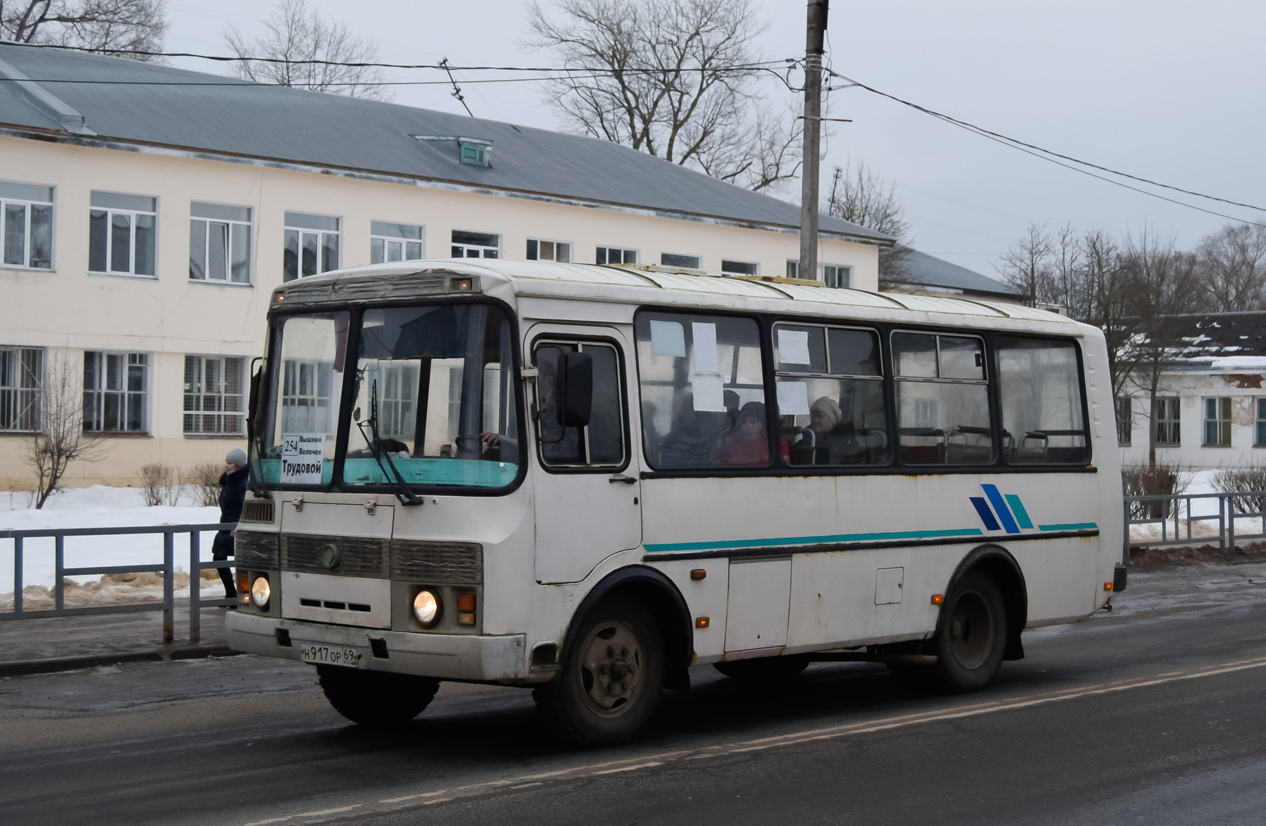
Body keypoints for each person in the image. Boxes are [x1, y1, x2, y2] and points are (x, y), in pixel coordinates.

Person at [213, 448, 249, 600]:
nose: (226, 466)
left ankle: (243, 595)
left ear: (238, 465)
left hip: (234, 526)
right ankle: (231, 593)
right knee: (219, 558)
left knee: (240, 561)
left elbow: (245, 506)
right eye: (226, 463)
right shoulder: (228, 482)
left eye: (230, 463)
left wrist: (238, 525)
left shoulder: (241, 484)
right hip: (224, 525)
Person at [718, 402, 770, 467]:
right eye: (744, 422)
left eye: (753, 422)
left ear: (762, 423)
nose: (748, 426)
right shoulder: (732, 446)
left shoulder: (774, 446)